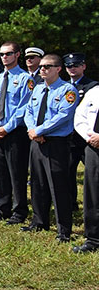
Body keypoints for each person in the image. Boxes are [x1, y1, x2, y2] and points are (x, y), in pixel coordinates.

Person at [22, 54, 78, 243]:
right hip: (36, 142)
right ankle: (39, 221)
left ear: (58, 69)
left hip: (56, 144)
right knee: (37, 183)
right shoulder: (37, 89)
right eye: (42, 67)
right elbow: (28, 111)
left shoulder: (67, 90)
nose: (42, 69)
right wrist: (32, 130)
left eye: (47, 66)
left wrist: (39, 130)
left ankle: (64, 230)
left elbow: (63, 115)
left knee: (58, 186)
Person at [0, 42, 33, 224]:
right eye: (2, 54)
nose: (4, 57)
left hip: (14, 133)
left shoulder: (24, 79)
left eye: (9, 53)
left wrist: (7, 128)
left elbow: (24, 108)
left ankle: (19, 211)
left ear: (18, 54)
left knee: (17, 173)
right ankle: (2, 208)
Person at [65, 52, 98, 209]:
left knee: (93, 174)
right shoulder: (64, 86)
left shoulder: (92, 87)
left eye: (76, 65)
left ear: (84, 66)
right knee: (68, 172)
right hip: (70, 137)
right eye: (69, 66)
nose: (72, 68)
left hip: (86, 139)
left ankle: (93, 205)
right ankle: (71, 204)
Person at [72, 84, 99, 253]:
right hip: (93, 147)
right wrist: (90, 136)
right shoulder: (94, 92)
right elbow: (79, 117)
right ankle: (93, 239)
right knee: (93, 195)